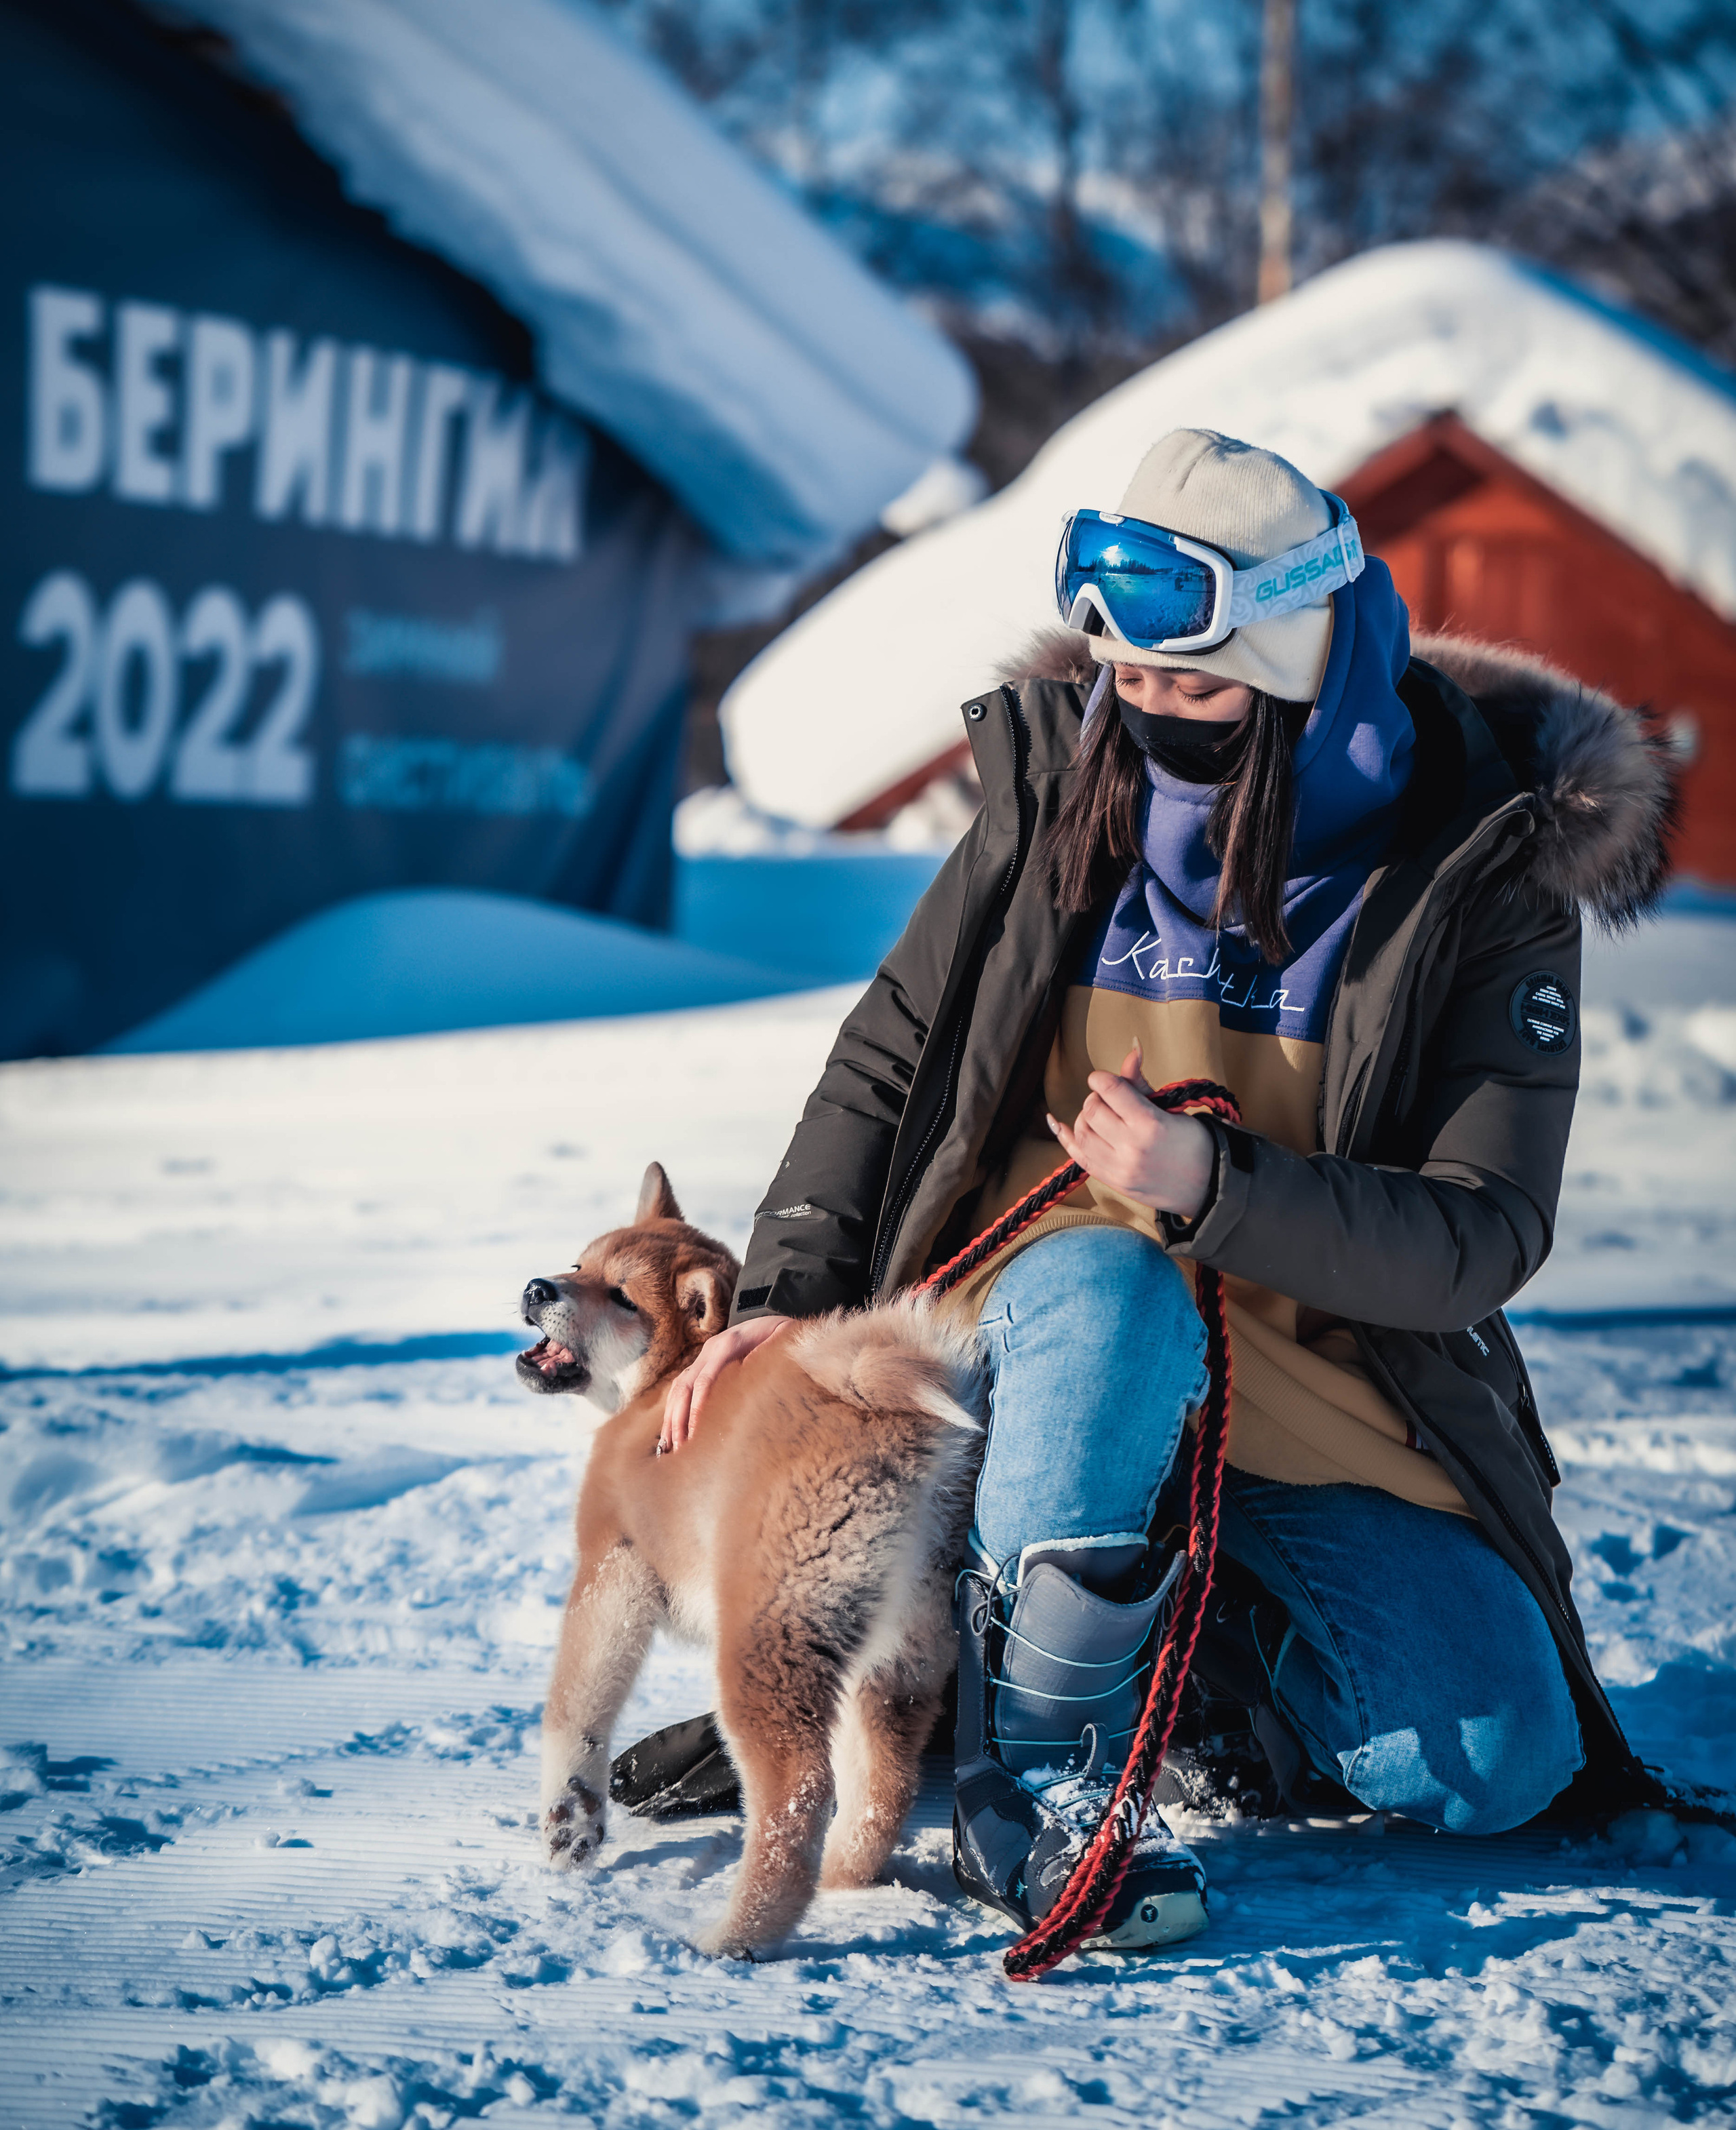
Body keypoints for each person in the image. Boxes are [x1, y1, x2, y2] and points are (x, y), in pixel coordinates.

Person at [655, 429, 1674, 1951]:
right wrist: (788, 1293)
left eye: (1186, 688)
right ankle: (1048, 1780)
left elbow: (1478, 1233)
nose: (1137, 716)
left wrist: (1214, 1180)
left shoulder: (1477, 863)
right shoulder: (1062, 778)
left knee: (1494, 1762)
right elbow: (886, 1057)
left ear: (1300, 676)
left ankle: (1187, 1651)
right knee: (1116, 1283)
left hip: (1313, 1386)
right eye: (1118, 675)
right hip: (1048, 1331)